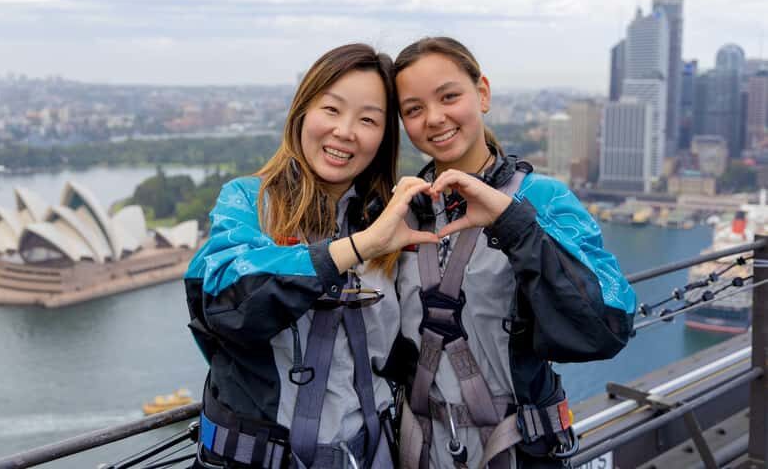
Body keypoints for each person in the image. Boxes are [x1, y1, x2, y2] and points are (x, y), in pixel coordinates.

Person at [185, 43, 438, 469]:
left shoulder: (394, 219)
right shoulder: (249, 202)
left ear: (384, 137)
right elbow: (227, 304)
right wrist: (355, 249)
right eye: (331, 110)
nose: (345, 131)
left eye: (368, 120)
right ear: (302, 111)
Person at [390, 37, 636, 469]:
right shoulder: (403, 210)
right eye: (413, 109)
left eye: (449, 96)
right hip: (418, 448)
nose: (435, 118)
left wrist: (512, 222)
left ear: (481, 93)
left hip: (517, 449)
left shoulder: (542, 199)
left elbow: (607, 325)